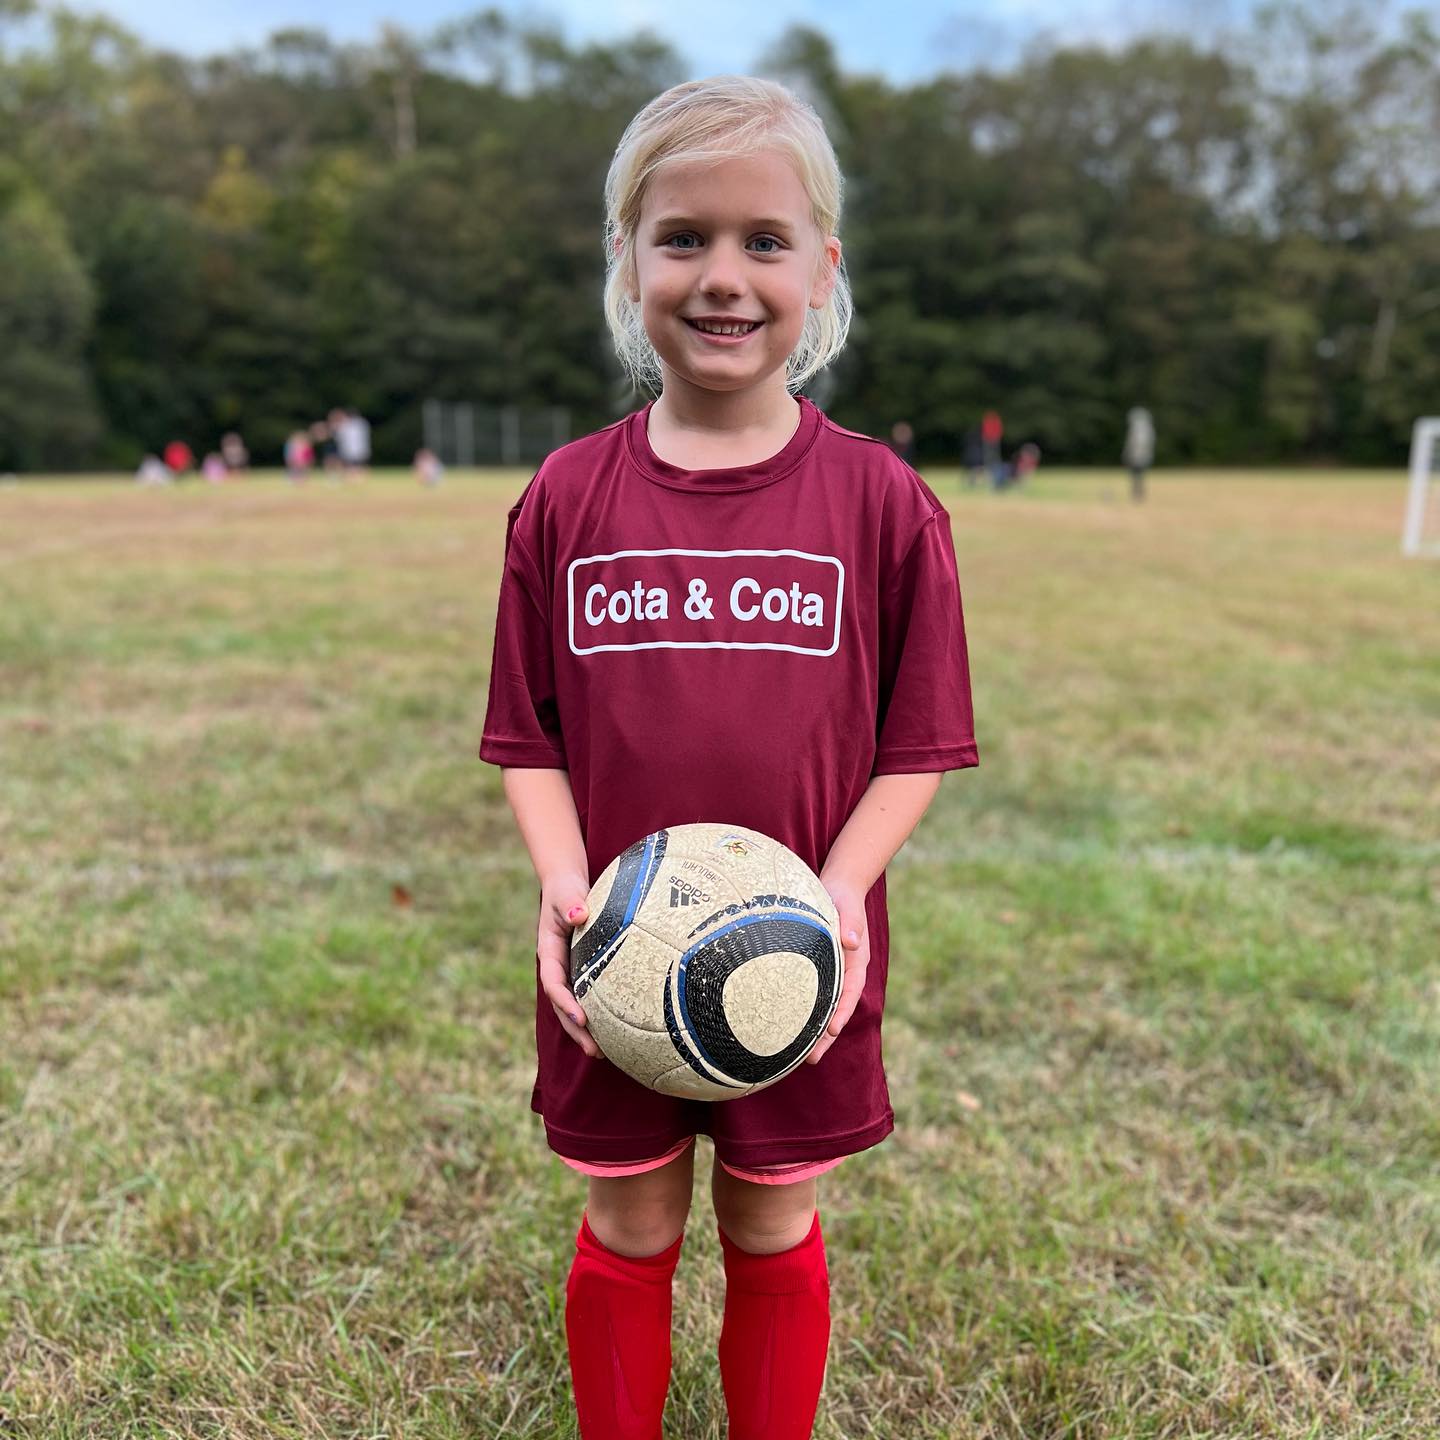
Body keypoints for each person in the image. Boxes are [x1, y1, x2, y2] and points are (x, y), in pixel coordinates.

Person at [479, 76, 978, 1440]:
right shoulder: (568, 498)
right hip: (615, 950)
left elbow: (917, 750)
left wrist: (838, 896)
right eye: (681, 236)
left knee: (773, 1221)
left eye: (764, 241)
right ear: (626, 261)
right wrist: (563, 889)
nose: (722, 276)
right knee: (630, 1220)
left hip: (799, 954)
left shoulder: (881, 502)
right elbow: (528, 738)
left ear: (825, 268)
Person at [1123, 406, 1155, 502]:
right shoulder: (1149, 429)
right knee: (1138, 476)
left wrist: (1128, 454)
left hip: (1137, 457)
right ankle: (1138, 494)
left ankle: (1137, 494)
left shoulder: (1138, 429)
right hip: (1142, 457)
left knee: (1136, 476)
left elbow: (1132, 444)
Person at [336, 408, 372, 476]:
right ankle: (361, 477)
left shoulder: (346, 424)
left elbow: (339, 435)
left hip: (350, 449)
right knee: (361, 463)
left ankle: (353, 477)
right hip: (362, 447)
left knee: (351, 464)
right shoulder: (363, 423)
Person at [980, 408, 1003, 488]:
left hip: (994, 441)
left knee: (994, 458)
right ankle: (989, 471)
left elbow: (998, 430)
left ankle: (995, 471)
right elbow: (985, 431)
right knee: (988, 458)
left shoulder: (995, 421)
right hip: (989, 441)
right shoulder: (989, 421)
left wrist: (994, 438)